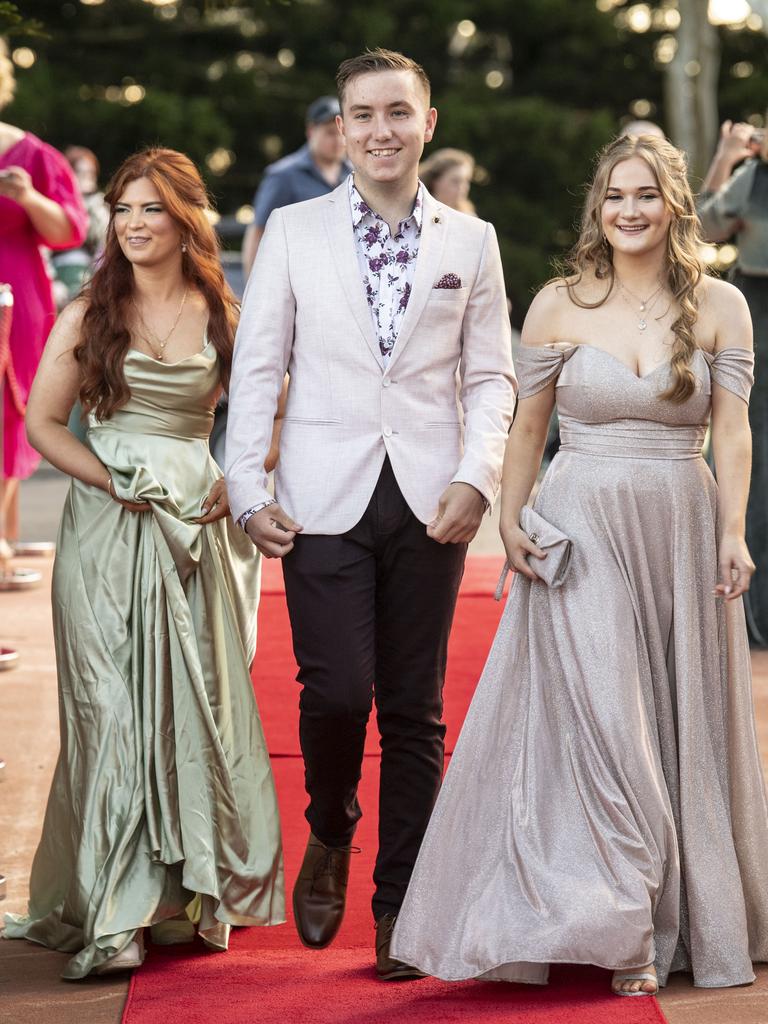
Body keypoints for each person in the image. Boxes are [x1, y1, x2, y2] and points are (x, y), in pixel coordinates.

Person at [392, 134, 768, 995]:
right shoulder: (557, 304)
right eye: (613, 197)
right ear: (596, 209)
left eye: (644, 196)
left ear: (673, 204)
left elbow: (738, 431)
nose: (628, 211)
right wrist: (513, 522)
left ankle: (667, 911)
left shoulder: (722, 305)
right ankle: (622, 919)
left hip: (680, 518)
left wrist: (734, 531)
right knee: (608, 719)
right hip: (581, 520)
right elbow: (527, 426)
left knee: (675, 718)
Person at [225, 47, 516, 979]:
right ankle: (331, 823)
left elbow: (492, 374)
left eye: (400, 112)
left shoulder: (472, 241)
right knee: (339, 691)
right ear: (340, 129)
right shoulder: (294, 232)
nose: (382, 130)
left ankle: (401, 909)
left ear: (428, 124)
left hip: (433, 500)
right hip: (319, 495)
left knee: (417, 713)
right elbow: (258, 366)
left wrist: (478, 475)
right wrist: (246, 488)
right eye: (364, 114)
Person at [2, 148, 284, 979]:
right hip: (108, 524)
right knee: (112, 709)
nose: (132, 224)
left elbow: (274, 416)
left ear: (187, 218)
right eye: (122, 209)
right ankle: (116, 911)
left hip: (200, 526)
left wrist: (240, 481)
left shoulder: (226, 310)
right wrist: (116, 479)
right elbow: (45, 426)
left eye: (151, 209)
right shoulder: (89, 309)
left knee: (194, 716)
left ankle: (182, 894)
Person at [0, 38, 87, 552]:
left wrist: (27, 196)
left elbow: (69, 232)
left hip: (18, 302)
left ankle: (3, 546)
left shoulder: (33, 155)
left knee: (11, 415)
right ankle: (5, 546)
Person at [698, 119, 768, 647]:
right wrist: (728, 155)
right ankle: (748, 612)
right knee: (751, 455)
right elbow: (700, 225)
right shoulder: (755, 176)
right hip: (758, 310)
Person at [240, 95, 351, 278]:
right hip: (295, 283)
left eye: (342, 132)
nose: (338, 140)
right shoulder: (283, 176)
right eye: (330, 132)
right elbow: (258, 232)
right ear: (311, 131)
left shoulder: (355, 175)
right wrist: (252, 291)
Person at [51, 145, 110, 304]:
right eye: (80, 172)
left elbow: (104, 245)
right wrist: (53, 281)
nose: (86, 178)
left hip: (92, 274)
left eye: (90, 173)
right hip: (59, 275)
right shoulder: (55, 204)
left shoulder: (101, 207)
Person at [419, 147, 476, 215]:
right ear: (435, 182)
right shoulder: (419, 212)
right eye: (455, 181)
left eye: (467, 181)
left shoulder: (469, 216)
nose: (464, 187)